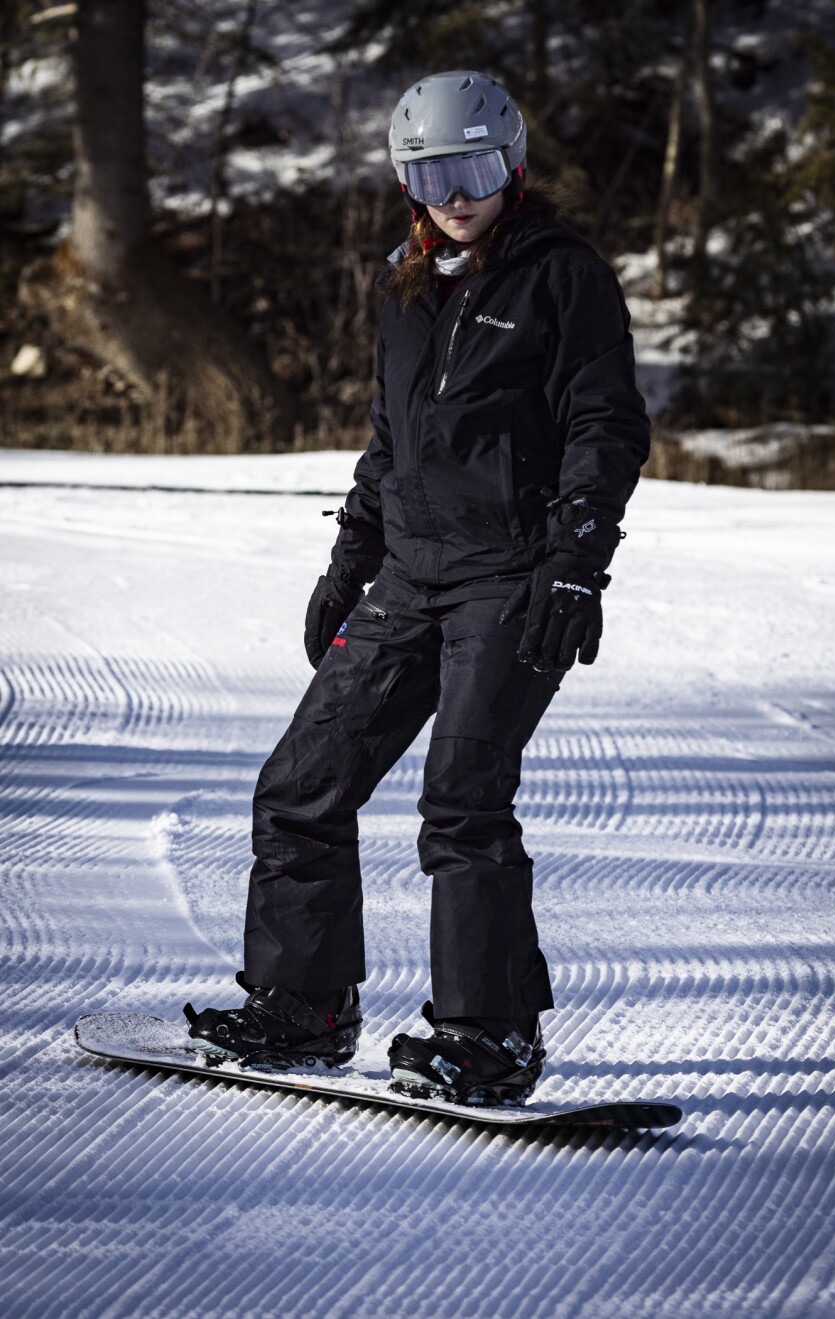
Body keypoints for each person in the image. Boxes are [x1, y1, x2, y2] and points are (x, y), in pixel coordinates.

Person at [184, 70, 650, 1107]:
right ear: (408, 180)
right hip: (408, 574)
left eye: (474, 168)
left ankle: (489, 1036)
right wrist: (348, 564)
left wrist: (575, 561)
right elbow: (389, 443)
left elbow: (604, 426)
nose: (455, 193)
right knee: (301, 784)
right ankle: (304, 1006)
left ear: (512, 165)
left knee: (463, 803)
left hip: (511, 581)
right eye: (433, 171)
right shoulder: (404, 285)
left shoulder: (560, 277)